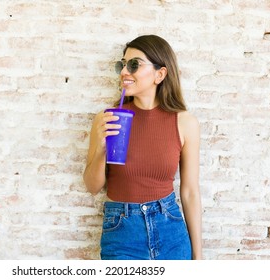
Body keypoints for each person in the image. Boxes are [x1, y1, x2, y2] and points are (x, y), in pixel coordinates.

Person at [83, 34, 202, 260]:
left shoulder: (185, 122)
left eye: (134, 64)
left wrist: (198, 256)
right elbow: (92, 186)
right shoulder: (106, 119)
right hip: (122, 233)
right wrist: (100, 149)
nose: (124, 71)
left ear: (160, 74)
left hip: (172, 233)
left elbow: (190, 192)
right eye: (123, 64)